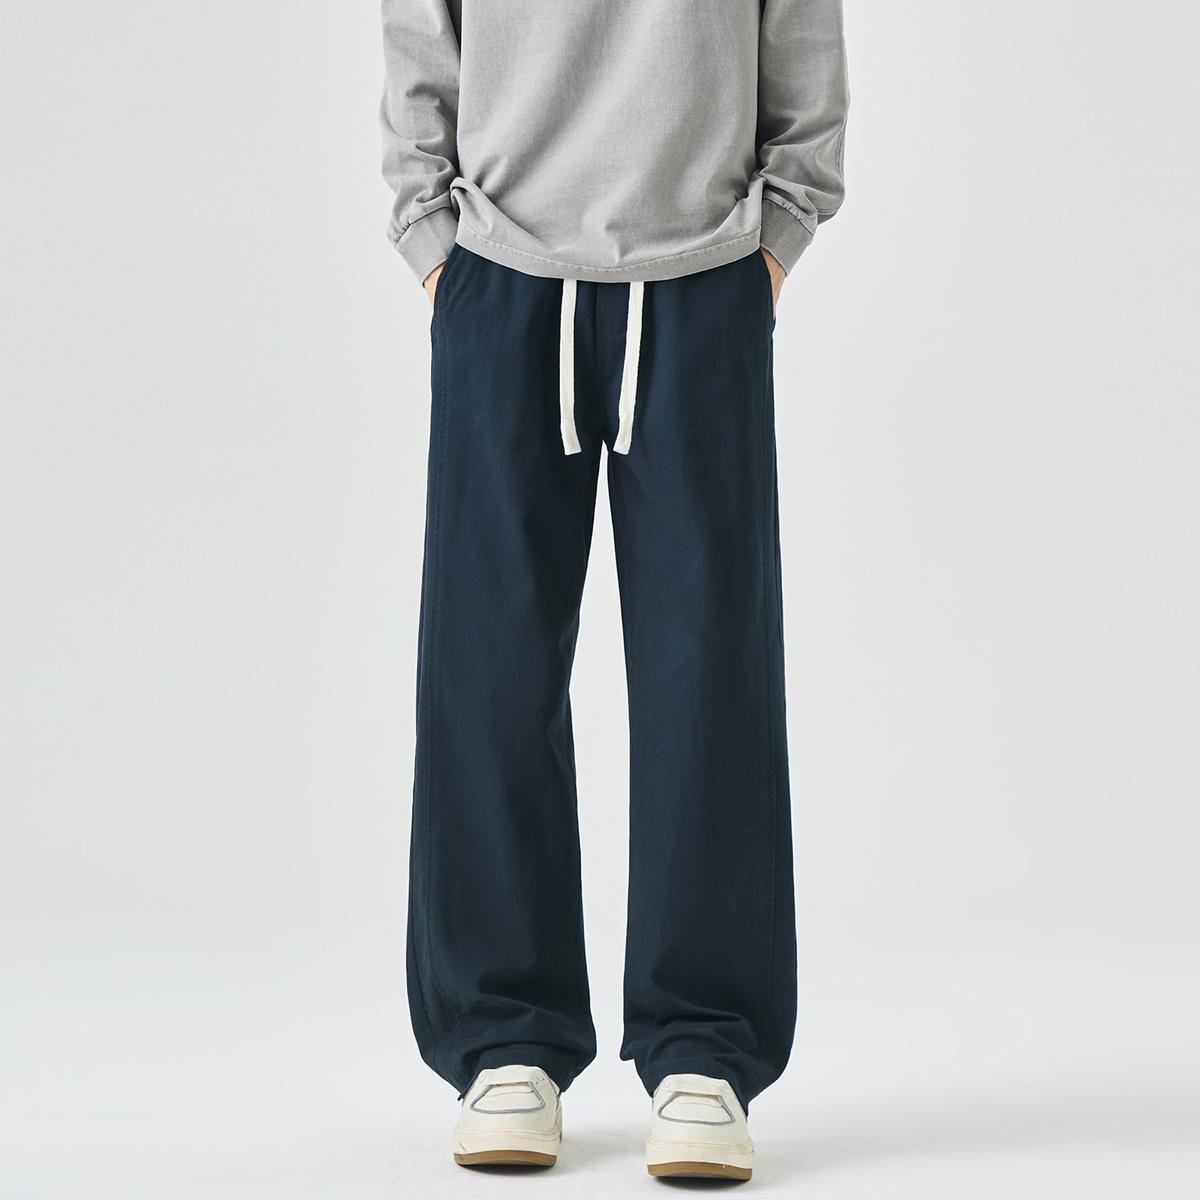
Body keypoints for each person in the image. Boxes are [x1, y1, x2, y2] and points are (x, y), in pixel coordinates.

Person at [380, 0, 848, 1180]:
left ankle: (705, 1048)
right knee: (489, 671)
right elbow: (420, 30)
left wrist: (773, 241)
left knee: (710, 674)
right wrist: (433, 242)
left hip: (702, 273)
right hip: (499, 269)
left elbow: (800, 41)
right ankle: (505, 1038)